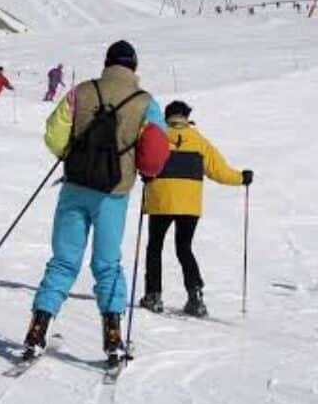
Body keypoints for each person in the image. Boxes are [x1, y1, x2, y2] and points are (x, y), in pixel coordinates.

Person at [22, 41, 170, 362]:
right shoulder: (146, 102)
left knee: (63, 261)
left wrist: (70, 156)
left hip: (75, 187)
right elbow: (156, 150)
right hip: (113, 195)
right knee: (107, 264)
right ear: (133, 67)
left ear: (107, 63)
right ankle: (113, 336)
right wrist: (145, 171)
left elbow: (53, 133)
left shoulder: (82, 91)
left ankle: (38, 328)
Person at [140, 101, 253, 317]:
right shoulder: (199, 141)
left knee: (155, 247)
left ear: (167, 116)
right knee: (184, 248)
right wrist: (241, 178)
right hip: (189, 204)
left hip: (160, 201)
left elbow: (144, 161)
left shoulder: (157, 136)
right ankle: (195, 296)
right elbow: (219, 171)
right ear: (186, 116)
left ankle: (153, 295)